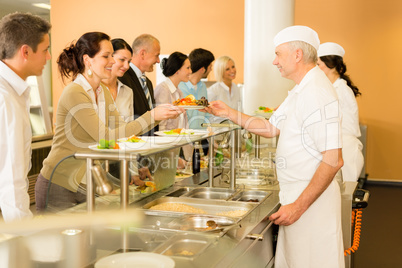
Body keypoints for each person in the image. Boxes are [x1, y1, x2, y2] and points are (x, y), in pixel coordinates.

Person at [205, 26, 345, 267]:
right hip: (299, 198)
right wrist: (228, 112)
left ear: (297, 54)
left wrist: (297, 207)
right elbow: (270, 128)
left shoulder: (316, 93)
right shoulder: (302, 90)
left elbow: (333, 160)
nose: (274, 61)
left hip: (309, 203)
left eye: (278, 54)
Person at [35, 32, 183, 212]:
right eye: (106, 56)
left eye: (112, 55)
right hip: (59, 182)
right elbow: (104, 137)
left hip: (86, 180)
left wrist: (160, 116)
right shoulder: (75, 92)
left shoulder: (101, 92)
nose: (112, 61)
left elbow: (122, 132)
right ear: (88, 60)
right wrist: (152, 116)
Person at [0, 13, 51, 222]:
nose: (48, 57)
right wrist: (25, 235)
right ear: (26, 51)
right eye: (46, 49)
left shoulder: (16, 91)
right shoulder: (5, 97)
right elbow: (11, 181)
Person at [317, 42, 364, 182]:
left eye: (318, 64)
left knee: (345, 197)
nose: (317, 68)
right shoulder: (332, 87)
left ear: (330, 65)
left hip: (346, 150)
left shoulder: (341, 90)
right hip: (338, 147)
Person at [154, 52, 193, 164]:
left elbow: (183, 124)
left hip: (179, 147)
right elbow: (161, 127)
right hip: (168, 150)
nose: (190, 71)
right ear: (177, 70)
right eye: (188, 68)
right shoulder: (163, 89)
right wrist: (170, 157)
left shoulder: (178, 92)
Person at [119, 34, 160, 125]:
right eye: (156, 55)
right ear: (142, 54)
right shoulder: (122, 79)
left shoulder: (148, 83)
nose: (158, 61)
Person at [178, 48, 214, 129]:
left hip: (201, 137)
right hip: (185, 138)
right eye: (210, 67)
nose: (211, 69)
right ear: (202, 69)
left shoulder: (203, 87)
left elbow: (206, 114)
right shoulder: (179, 87)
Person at [102, 38, 134, 122]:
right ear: (109, 58)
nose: (127, 66)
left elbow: (130, 127)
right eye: (122, 60)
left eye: (129, 62)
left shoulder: (128, 92)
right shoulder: (94, 89)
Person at [208, 56, 242, 123]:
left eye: (233, 67)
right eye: (227, 69)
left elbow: (240, 111)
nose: (232, 71)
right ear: (220, 71)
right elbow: (208, 116)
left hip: (234, 129)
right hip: (218, 131)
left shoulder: (236, 88)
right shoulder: (213, 90)